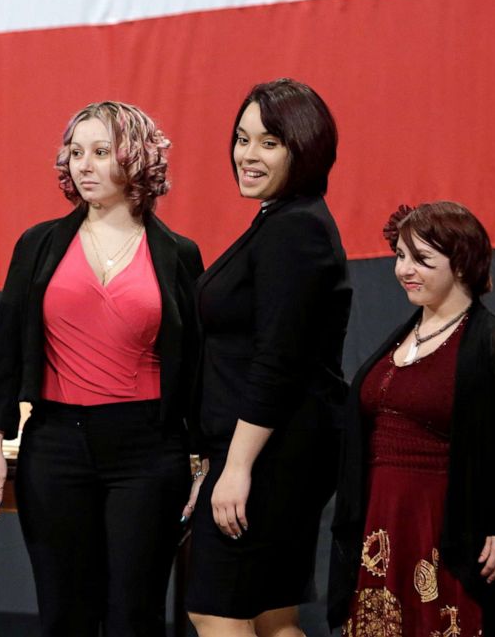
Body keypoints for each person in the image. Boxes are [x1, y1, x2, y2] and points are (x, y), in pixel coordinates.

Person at [0, 101, 203, 636]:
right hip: (55, 445)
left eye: (101, 152)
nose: (84, 165)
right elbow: (5, 351)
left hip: (147, 452)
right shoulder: (38, 244)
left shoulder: (178, 254)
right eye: (76, 152)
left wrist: (204, 459)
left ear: (137, 158)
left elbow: (197, 367)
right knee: (64, 615)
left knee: (133, 617)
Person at [328, 202, 495, 636]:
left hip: (453, 533)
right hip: (387, 528)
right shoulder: (405, 335)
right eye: (401, 256)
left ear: (463, 265)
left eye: (422, 260)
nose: (404, 270)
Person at [185, 78, 353, 637]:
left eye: (269, 142)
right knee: (269, 613)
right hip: (277, 453)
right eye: (241, 138)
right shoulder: (283, 220)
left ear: (302, 148)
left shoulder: (295, 230)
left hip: (271, 457)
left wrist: (235, 467)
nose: (247, 155)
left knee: (217, 611)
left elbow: (277, 361)